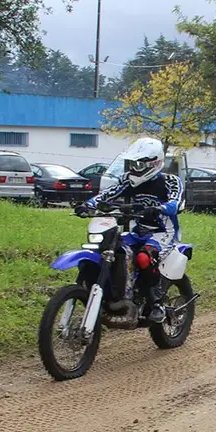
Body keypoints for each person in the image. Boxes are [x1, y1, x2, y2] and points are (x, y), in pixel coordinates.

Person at [78, 137, 183, 323]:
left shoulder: (170, 182)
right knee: (114, 251)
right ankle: (117, 293)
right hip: (137, 232)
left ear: (154, 162)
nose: (134, 168)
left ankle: (156, 302)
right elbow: (107, 194)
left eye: (138, 164)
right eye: (131, 163)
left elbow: (176, 202)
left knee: (144, 257)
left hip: (163, 232)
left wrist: (160, 208)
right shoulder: (128, 181)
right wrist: (88, 204)